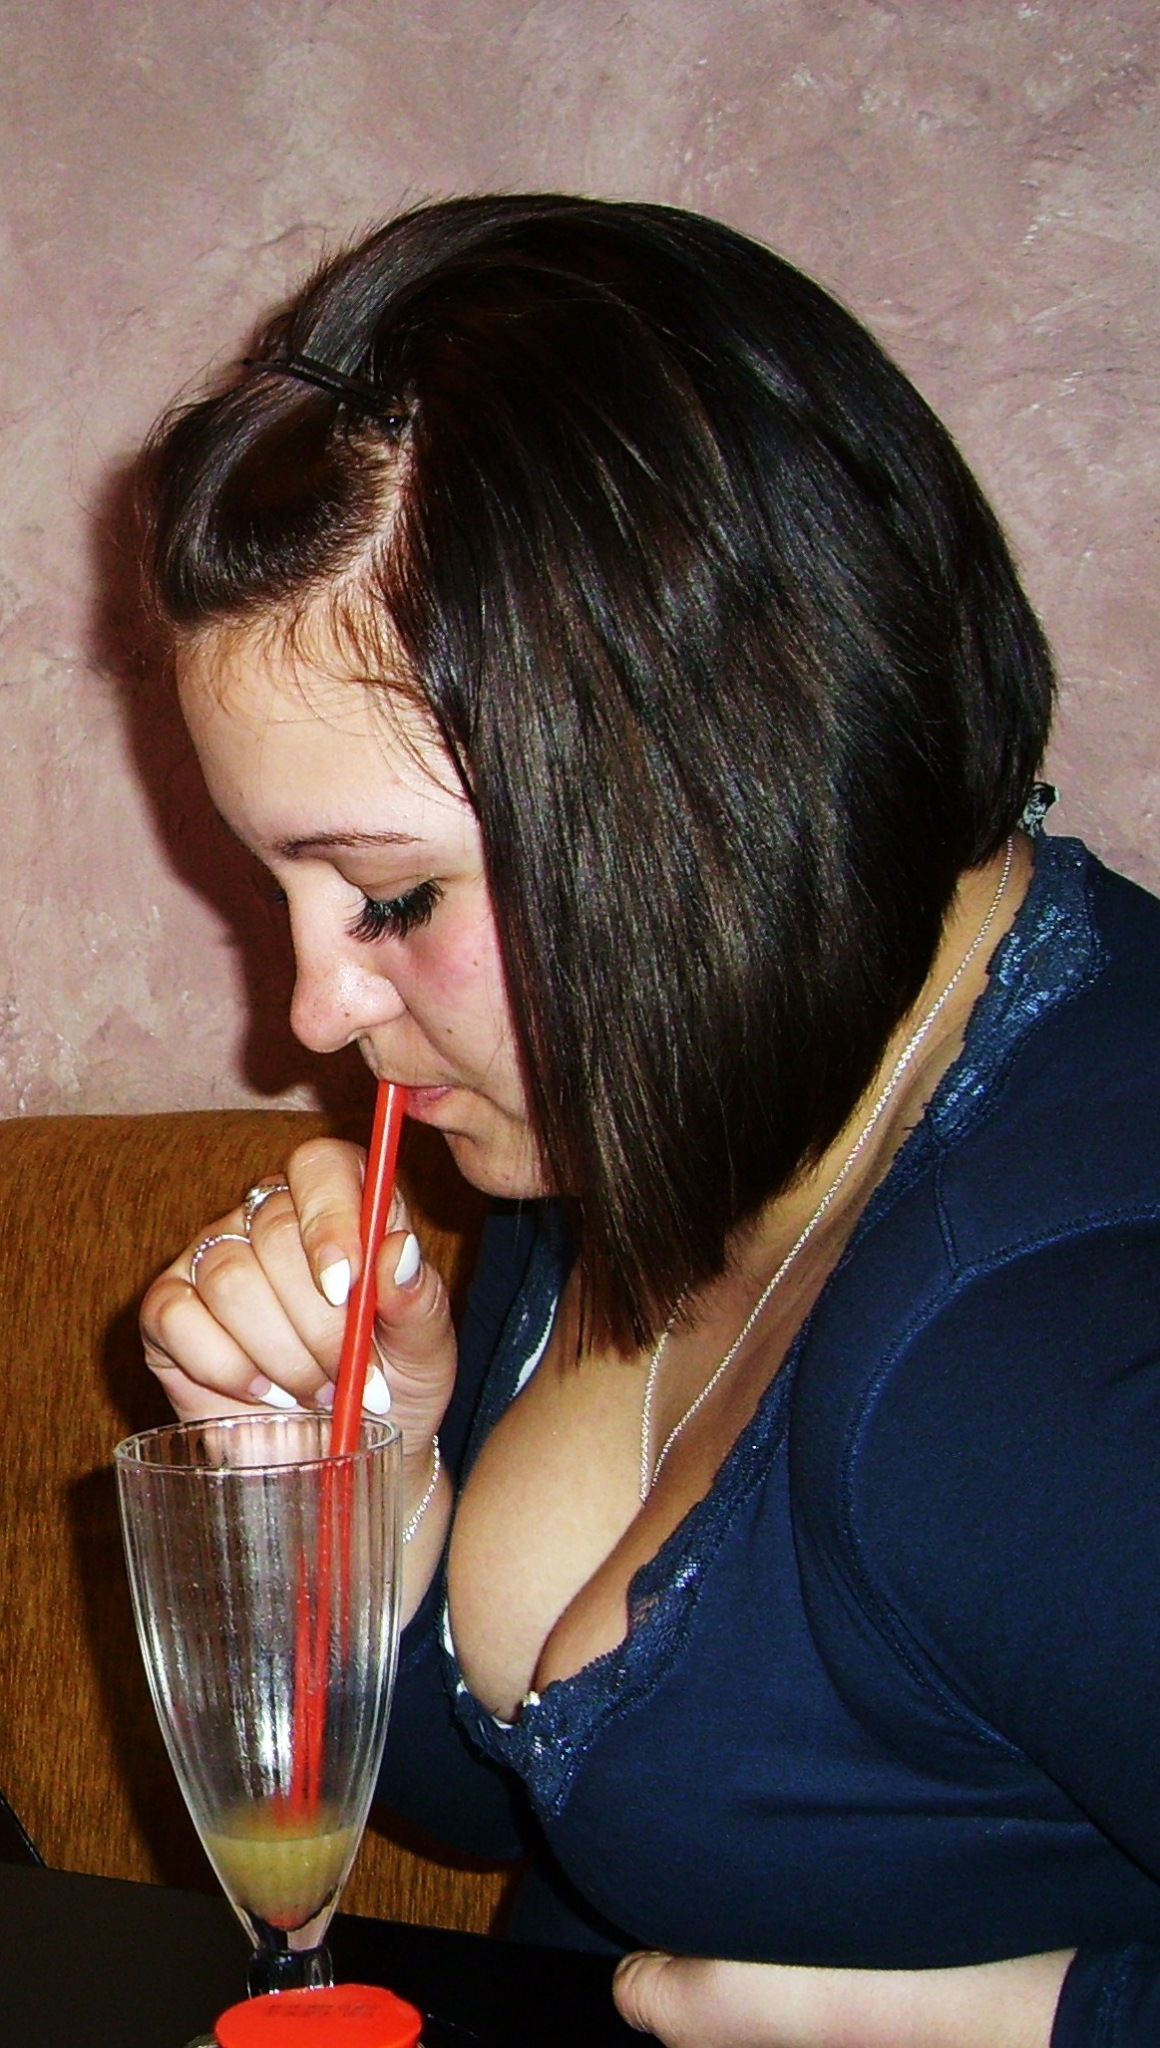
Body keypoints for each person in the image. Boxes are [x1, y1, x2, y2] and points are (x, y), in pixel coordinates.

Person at [136, 194, 1160, 2046]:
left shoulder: (1057, 1352)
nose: (314, 1015)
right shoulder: (670, 1089)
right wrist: (385, 1481)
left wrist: (1034, 2020)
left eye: (390, 893)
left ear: (711, 787)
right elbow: (508, 1790)